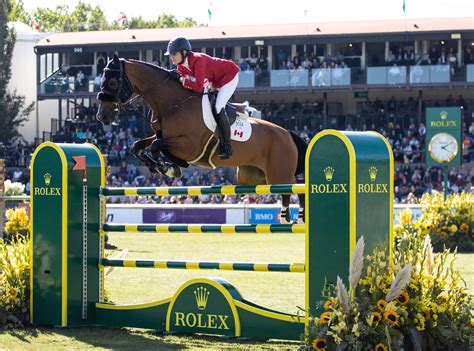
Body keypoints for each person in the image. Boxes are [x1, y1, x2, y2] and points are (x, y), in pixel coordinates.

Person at [165, 37, 240, 159]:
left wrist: (181, 79)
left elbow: (198, 87)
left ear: (184, 53)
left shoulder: (198, 60)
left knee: (218, 106)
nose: (171, 57)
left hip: (228, 76)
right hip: (214, 80)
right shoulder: (180, 67)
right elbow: (190, 84)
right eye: (171, 55)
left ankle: (227, 146)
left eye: (174, 54)